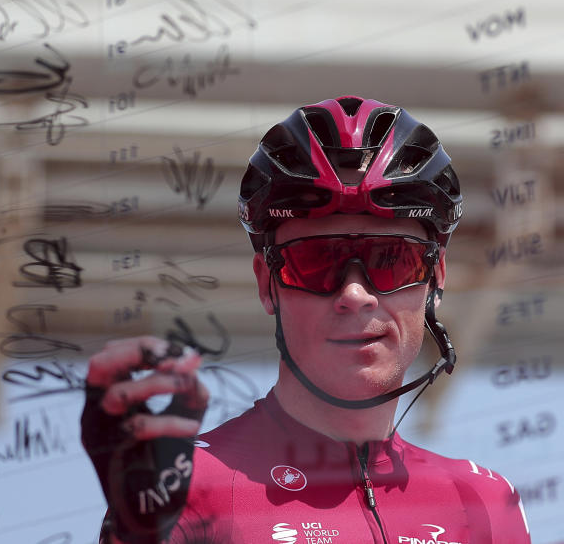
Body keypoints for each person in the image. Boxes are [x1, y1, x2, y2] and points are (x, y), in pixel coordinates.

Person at [81, 97, 531, 544]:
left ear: (435, 277)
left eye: (392, 261)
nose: (355, 296)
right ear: (267, 284)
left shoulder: (486, 503)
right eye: (314, 262)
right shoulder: (183, 490)